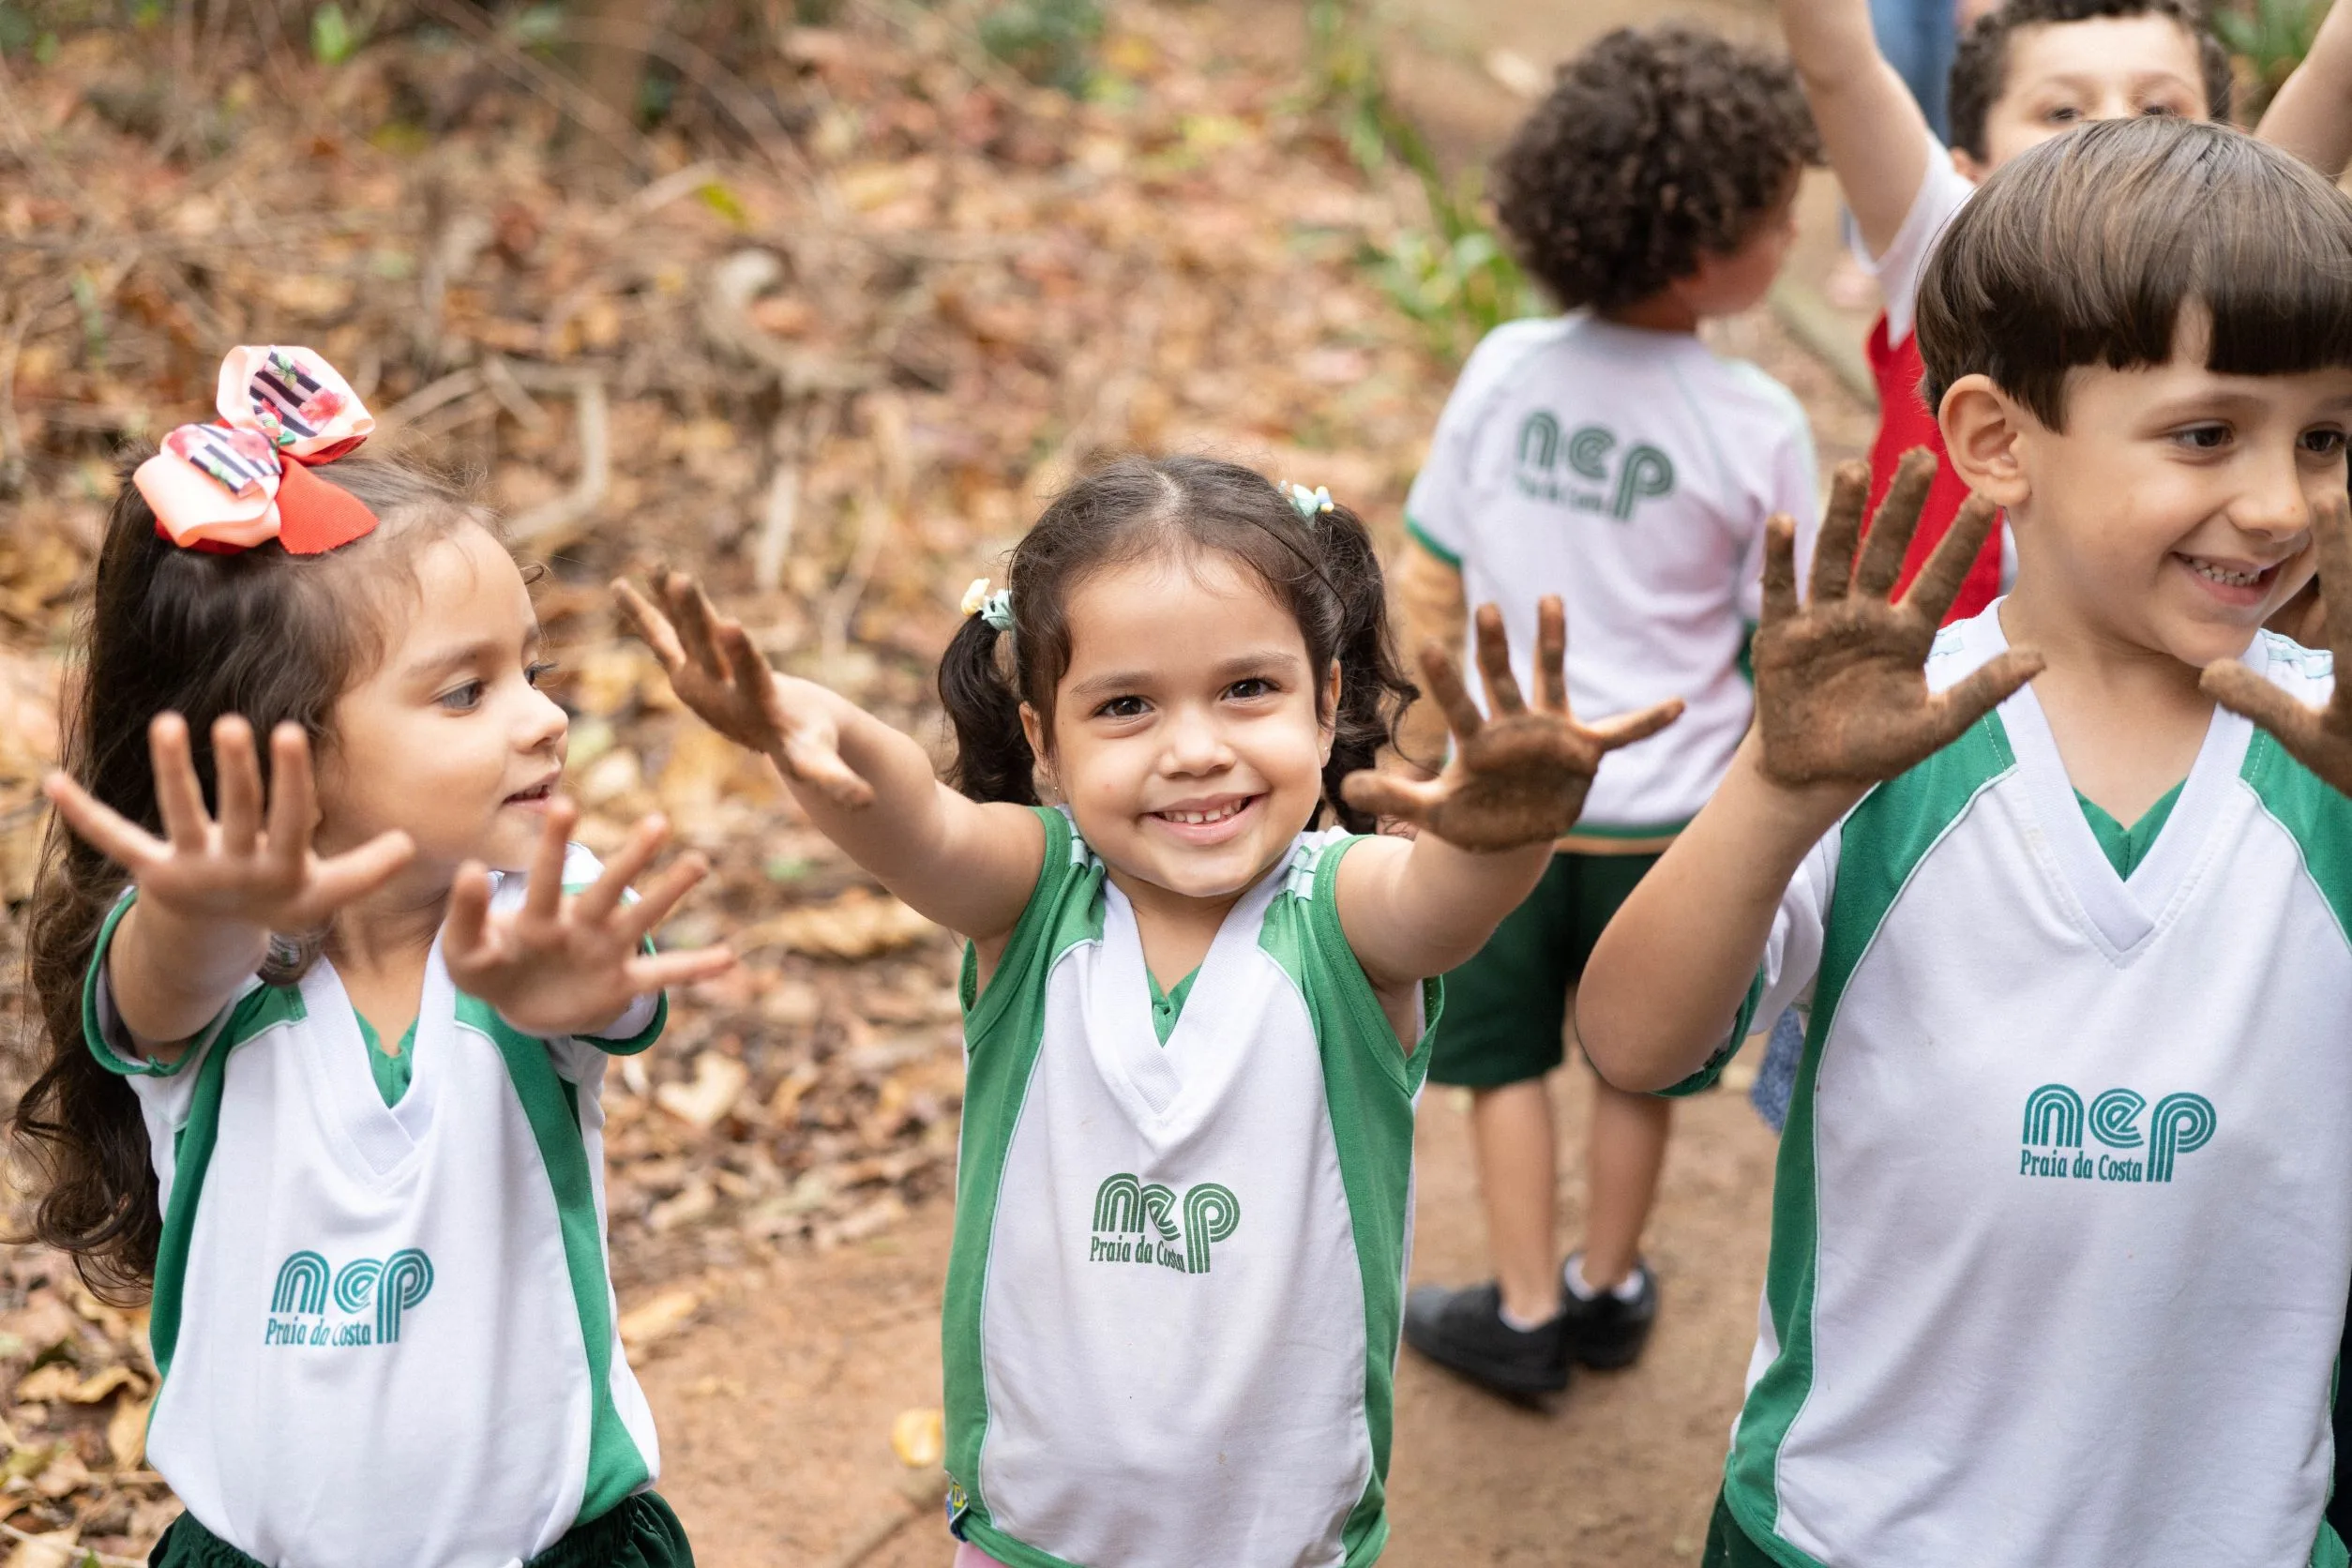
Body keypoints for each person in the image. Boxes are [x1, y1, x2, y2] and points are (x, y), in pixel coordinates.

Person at [614, 456, 1682, 1568]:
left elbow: (1440, 906)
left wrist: (1507, 832)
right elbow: (915, 823)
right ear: (1044, 743)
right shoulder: (1031, 899)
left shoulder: (1340, 915)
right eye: (1127, 705)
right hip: (1034, 1540)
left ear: (1327, 707)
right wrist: (795, 718)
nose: (1194, 748)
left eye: (1246, 690)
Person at [1579, 117, 2352, 1566]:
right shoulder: (1879, 734)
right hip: (1855, 1534)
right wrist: (1771, 791)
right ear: (1999, 440)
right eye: (2208, 432)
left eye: (2326, 437)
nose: (2280, 501)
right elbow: (1635, 1044)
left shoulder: (2333, 758)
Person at [12, 346, 731, 1568]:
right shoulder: (212, 971)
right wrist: (203, 909)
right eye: (467, 694)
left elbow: (591, 990)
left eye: (533, 672)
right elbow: (157, 993)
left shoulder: (526, 916)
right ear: (285, 750)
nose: (545, 716)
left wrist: (579, 995)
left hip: (561, 1547)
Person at [1389, 23, 1821, 1397]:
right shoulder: (1753, 421)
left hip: (1506, 802)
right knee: (1639, 1063)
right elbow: (1790, 639)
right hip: (1668, 820)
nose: (1794, 234)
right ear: (1705, 252)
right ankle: (1608, 1282)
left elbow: (1433, 575)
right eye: (1779, 218)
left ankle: (1520, 1312)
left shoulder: (1507, 369)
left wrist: (1425, 748)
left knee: (1500, 1064)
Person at [1778, 0, 2236, 621]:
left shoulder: (2242, 265)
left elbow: (2335, 81)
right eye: (2063, 111)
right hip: (1917, 693)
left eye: (2158, 108)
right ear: (1969, 169)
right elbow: (1838, 65)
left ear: (2232, 150)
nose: (2113, 129)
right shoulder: (1945, 243)